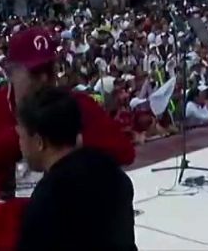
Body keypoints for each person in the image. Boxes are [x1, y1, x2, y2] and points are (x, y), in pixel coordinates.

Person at [0, 26, 137, 251]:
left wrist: (57, 136)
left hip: (71, 219)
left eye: (49, 70)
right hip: (10, 222)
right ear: (11, 72)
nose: (44, 79)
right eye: (35, 72)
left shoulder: (74, 103)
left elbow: (124, 151)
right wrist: (21, 139)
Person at [13, 86, 137, 251]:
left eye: (21, 136)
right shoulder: (112, 171)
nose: (20, 144)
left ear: (39, 141)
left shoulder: (47, 199)